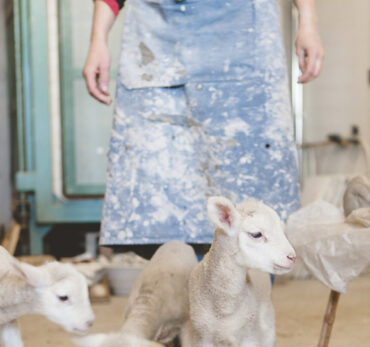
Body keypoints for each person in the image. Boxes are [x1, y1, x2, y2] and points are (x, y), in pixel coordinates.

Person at [83, 0, 324, 248]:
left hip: (242, 39)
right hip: (157, 41)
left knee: (252, 219)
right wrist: (98, 40)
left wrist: (308, 21)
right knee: (162, 202)